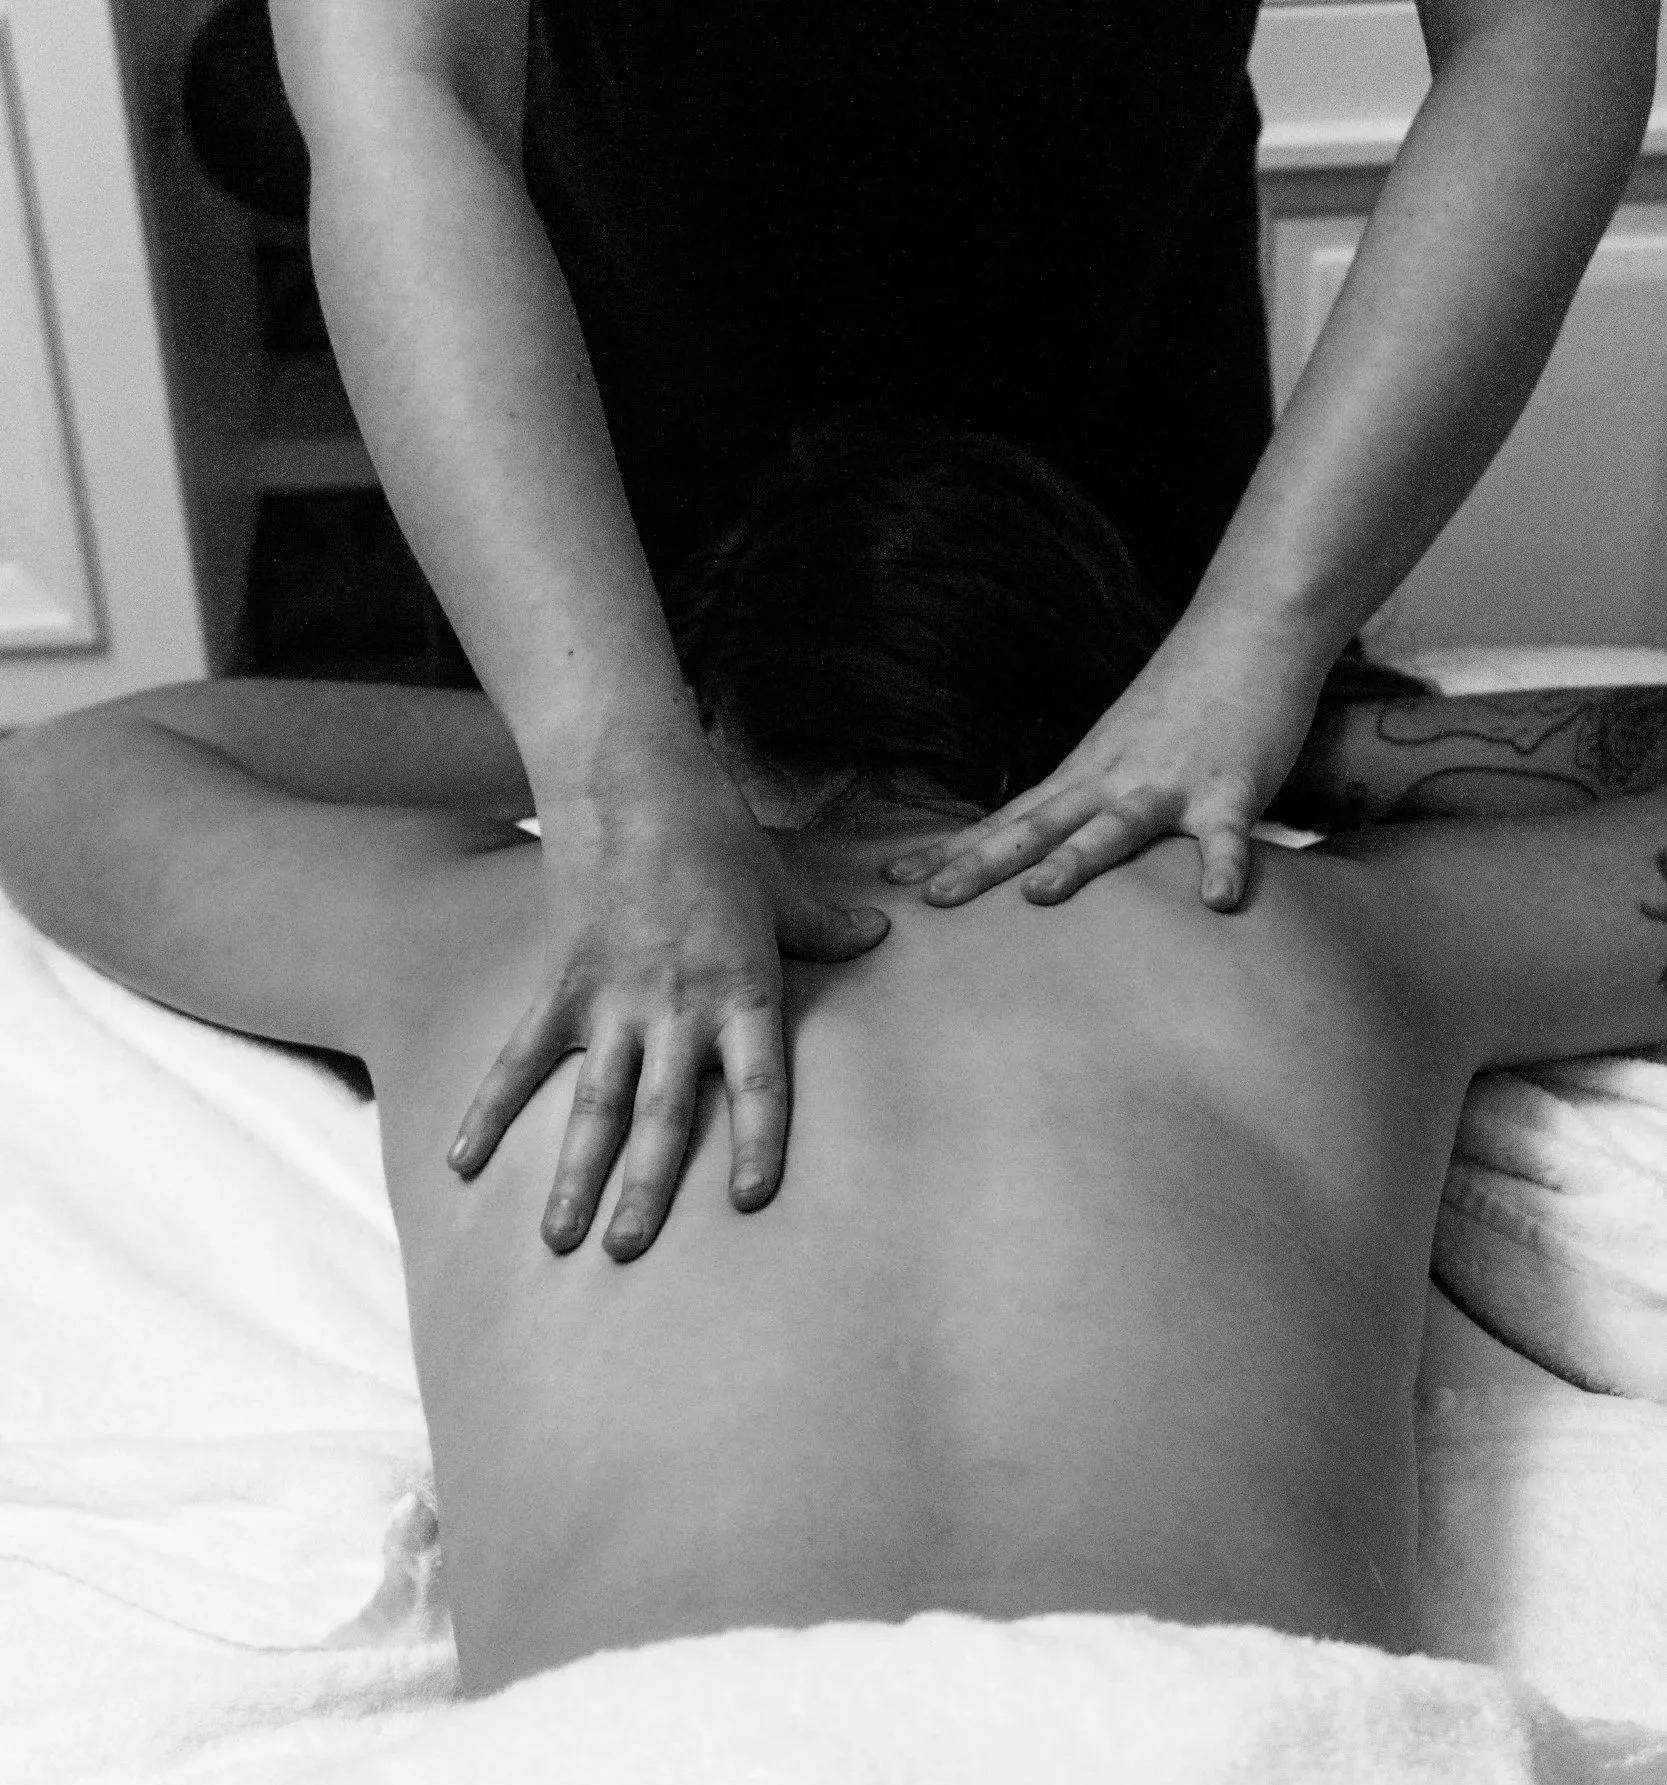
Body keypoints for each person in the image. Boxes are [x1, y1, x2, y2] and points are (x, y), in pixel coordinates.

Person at [2, 423, 1665, 1693]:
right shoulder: (1317, 939)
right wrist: (1296, 721)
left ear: (726, 712)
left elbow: (72, 770)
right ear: (1114, 695)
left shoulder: (496, 938)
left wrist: (642, 747)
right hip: (1247, 1777)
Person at [260, 0, 1660, 1263]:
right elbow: (400, 88)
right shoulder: (1339, 948)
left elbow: (1545, 34)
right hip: (599, 471)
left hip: (1120, 455)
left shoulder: (1330, 945)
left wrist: (1257, 644)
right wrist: (606, 757)